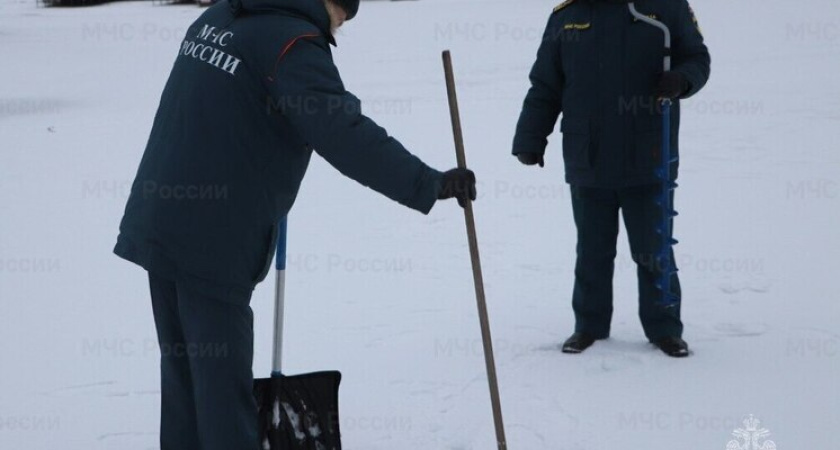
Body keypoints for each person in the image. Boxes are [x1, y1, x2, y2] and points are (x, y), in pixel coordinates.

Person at [113, 0, 476, 448]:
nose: (335, 32)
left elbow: (223, 109)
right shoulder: (294, 44)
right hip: (212, 243)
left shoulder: (220, 16)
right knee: (223, 403)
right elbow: (344, 134)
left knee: (187, 385)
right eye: (340, 19)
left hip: (160, 222)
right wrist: (428, 183)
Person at [512, 0, 710, 357]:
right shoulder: (567, 17)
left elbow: (697, 57)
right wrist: (530, 137)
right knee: (592, 251)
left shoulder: (664, 8)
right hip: (588, 157)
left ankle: (665, 329)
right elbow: (545, 85)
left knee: (654, 251)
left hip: (649, 157)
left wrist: (682, 79)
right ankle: (588, 326)